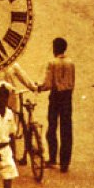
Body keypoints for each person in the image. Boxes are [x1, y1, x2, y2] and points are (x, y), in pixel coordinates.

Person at [38, 37, 75, 173]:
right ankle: (65, 163)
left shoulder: (52, 63)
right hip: (67, 97)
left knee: (52, 128)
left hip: (55, 97)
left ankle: (53, 158)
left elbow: (48, 84)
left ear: (55, 48)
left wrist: (39, 87)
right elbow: (72, 82)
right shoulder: (71, 63)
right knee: (66, 129)